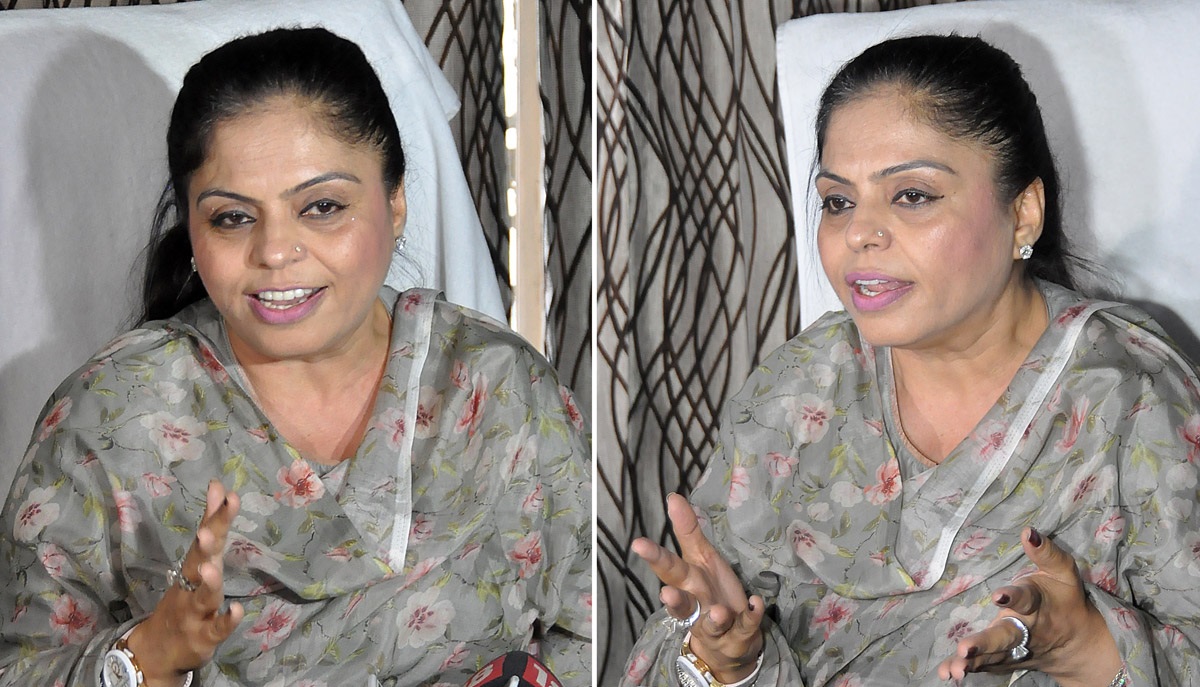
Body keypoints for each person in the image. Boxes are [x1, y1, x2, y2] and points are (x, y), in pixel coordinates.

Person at [0, 27, 591, 687]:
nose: (275, 251)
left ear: (395, 203)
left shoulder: (499, 390)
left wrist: (689, 649)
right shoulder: (111, 419)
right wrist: (142, 658)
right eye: (233, 217)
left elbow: (585, 640)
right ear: (191, 228)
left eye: (322, 207)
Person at [620, 34, 1200, 687]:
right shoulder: (801, 387)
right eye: (838, 201)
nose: (858, 232)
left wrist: (1088, 650)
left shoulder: (1131, 400)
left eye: (912, 195)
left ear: (1022, 214)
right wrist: (731, 662)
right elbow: (698, 637)